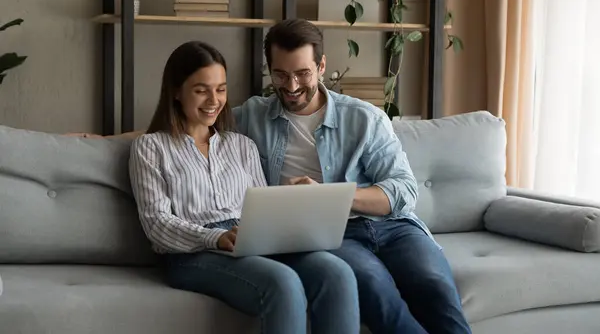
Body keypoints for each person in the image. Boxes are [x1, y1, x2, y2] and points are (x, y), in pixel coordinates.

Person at [232, 19, 472, 334]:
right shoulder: (251, 116)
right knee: (374, 286)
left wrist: (331, 197)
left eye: (302, 73)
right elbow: (191, 124)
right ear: (270, 69)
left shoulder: (364, 118)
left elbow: (403, 191)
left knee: (435, 285)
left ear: (321, 66)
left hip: (394, 229)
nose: (291, 87)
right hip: (334, 237)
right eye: (280, 74)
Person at [120, 41, 360, 334]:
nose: (213, 100)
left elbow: (261, 207)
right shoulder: (150, 148)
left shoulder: (242, 145)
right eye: (201, 90)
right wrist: (216, 237)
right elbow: (157, 225)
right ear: (175, 91)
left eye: (220, 89)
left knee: (336, 272)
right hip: (191, 254)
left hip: (248, 240)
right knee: (282, 283)